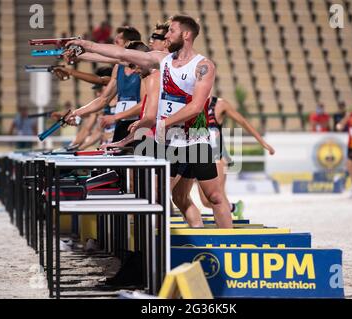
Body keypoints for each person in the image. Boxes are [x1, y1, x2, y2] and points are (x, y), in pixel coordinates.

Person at [66, 14, 234, 228]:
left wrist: (164, 122)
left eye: (172, 31)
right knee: (171, 197)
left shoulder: (203, 66)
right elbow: (121, 53)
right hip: (169, 140)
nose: (167, 36)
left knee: (214, 197)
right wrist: (85, 44)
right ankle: (172, 238)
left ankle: (228, 243)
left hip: (195, 139)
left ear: (186, 34)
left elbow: (195, 107)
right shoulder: (162, 60)